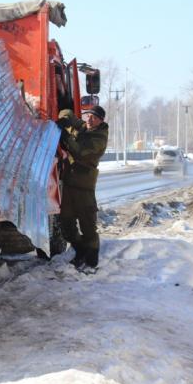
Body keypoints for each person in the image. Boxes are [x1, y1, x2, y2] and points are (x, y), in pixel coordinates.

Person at [56, 104, 109, 271]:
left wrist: (65, 135)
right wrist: (64, 118)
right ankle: (80, 251)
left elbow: (79, 151)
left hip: (84, 187)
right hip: (70, 184)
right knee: (66, 226)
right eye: (88, 116)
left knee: (88, 226)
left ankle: (92, 260)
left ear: (101, 121)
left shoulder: (99, 138)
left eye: (94, 117)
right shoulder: (84, 128)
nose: (89, 119)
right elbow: (69, 114)